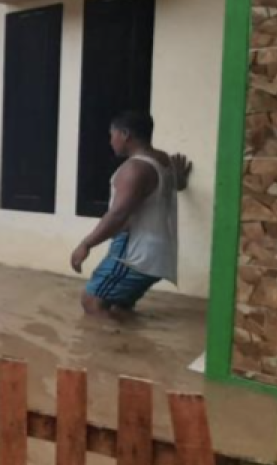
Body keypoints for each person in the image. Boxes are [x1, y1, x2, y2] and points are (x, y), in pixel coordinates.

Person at [70, 111, 192, 318]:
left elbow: (118, 215)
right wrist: (179, 179)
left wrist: (86, 244)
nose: (110, 141)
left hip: (134, 253)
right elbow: (175, 186)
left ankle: (109, 349)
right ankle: (129, 346)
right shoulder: (163, 160)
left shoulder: (135, 169)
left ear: (125, 134)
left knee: (91, 302)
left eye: (112, 135)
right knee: (117, 307)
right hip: (158, 253)